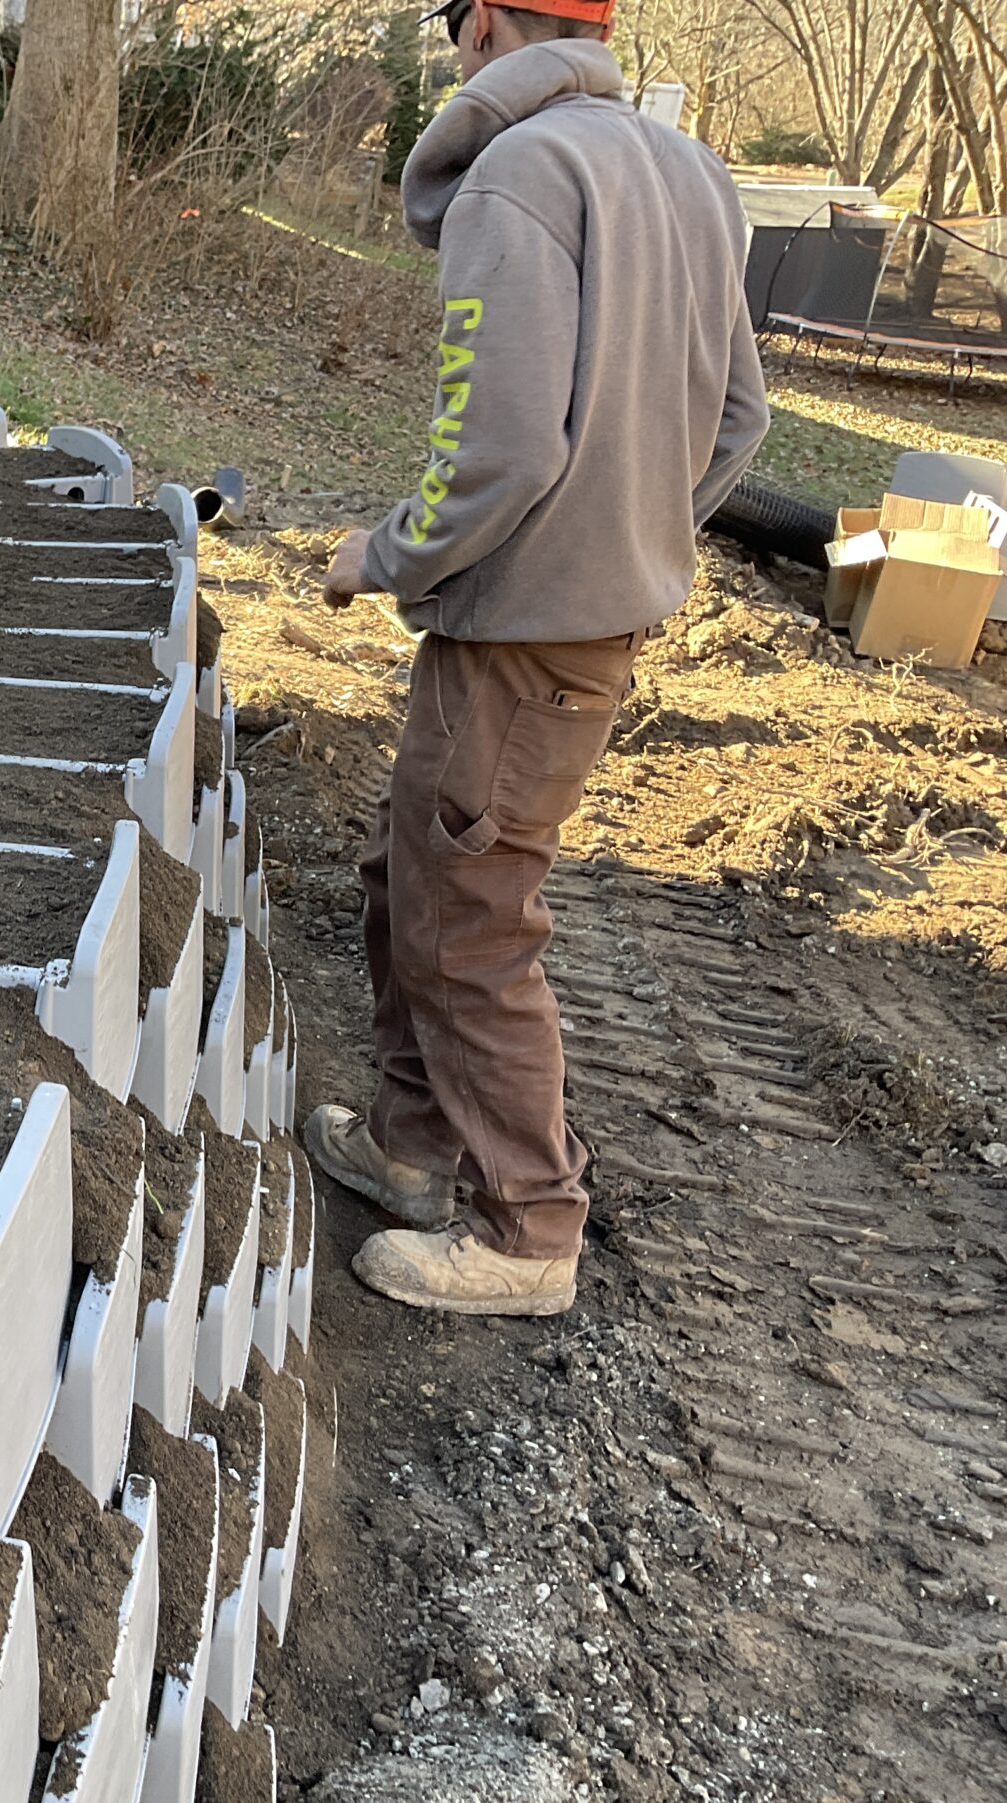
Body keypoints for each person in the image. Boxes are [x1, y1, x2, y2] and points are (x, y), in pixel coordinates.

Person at [311, 0, 768, 1315]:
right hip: (575, 621)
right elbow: (741, 419)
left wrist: (384, 555)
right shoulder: (686, 171)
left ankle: (529, 1229)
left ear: (486, 30)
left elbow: (499, 451)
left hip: (522, 630)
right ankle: (409, 1147)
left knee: (469, 921)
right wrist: (633, 536)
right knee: (413, 874)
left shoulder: (518, 174)